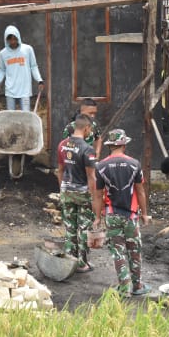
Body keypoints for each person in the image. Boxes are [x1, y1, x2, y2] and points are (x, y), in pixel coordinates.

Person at [93, 129, 151, 296]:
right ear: (124, 144)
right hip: (131, 215)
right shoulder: (135, 164)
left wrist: (97, 217)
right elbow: (140, 191)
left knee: (117, 251)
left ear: (110, 146)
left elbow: (98, 195)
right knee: (134, 250)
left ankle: (124, 287)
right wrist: (145, 214)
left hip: (112, 215)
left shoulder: (101, 166)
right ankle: (138, 287)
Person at [58, 114, 102, 272]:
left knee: (70, 227)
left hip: (66, 191)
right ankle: (82, 263)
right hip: (82, 193)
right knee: (83, 228)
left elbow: (60, 170)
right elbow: (91, 176)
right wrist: (94, 197)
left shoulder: (62, 145)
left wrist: (62, 190)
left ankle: (70, 261)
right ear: (87, 128)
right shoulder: (87, 149)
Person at [0, 25, 44, 110]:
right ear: (6, 40)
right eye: (10, 39)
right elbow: (2, 70)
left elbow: (33, 66)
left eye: (15, 38)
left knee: (26, 116)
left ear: (18, 37)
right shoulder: (2, 54)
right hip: (10, 91)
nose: (13, 41)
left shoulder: (27, 49)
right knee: (11, 118)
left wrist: (40, 80)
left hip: (25, 90)